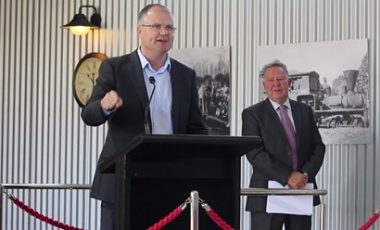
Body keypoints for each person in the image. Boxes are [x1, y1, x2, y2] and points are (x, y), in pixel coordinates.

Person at [81, 4, 207, 229]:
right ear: (140, 30)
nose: (164, 32)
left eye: (169, 27)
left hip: (169, 183)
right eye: (156, 26)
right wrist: (104, 105)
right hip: (121, 181)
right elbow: (89, 114)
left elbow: (196, 128)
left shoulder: (185, 75)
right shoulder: (116, 68)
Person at [242, 61, 325, 230]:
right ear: (264, 85)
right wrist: (288, 176)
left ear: (289, 82)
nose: (276, 84)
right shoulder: (252, 114)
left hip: (301, 191)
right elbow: (254, 153)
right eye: (271, 80)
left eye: (280, 79)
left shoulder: (304, 111)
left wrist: (304, 175)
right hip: (267, 194)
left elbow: (318, 147)